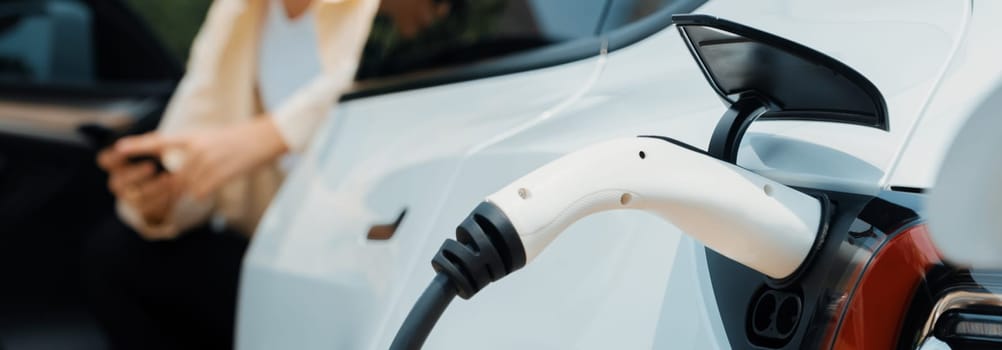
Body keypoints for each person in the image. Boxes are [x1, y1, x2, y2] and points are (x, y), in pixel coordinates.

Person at [81, 0, 446, 348]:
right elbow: (195, 119)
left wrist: (272, 135)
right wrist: (158, 197)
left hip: (359, 241)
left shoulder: (375, 9)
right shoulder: (240, 10)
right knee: (115, 254)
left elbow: (398, 75)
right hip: (274, 238)